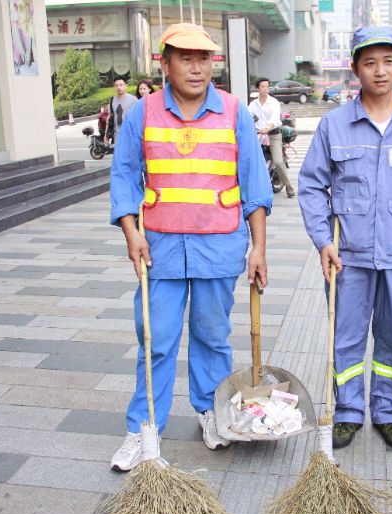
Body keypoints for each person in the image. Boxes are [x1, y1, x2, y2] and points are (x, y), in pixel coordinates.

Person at [108, 23, 272, 472]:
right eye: (186, 58)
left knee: (212, 336)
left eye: (204, 59)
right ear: (166, 64)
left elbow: (254, 184)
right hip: (159, 249)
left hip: (219, 246)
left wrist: (258, 248)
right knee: (155, 339)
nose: (197, 68)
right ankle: (143, 428)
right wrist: (131, 232)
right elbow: (124, 175)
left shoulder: (234, 111)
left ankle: (212, 411)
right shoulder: (143, 113)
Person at [297, 26, 392, 451]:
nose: (380, 71)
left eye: (388, 61)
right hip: (347, 257)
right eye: (370, 62)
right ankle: (348, 412)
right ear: (355, 69)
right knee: (346, 337)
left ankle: (388, 413)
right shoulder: (334, 126)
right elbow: (311, 186)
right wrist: (322, 240)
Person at [247, 77, 295, 198]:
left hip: (273, 135)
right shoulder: (253, 104)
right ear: (258, 88)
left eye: (267, 87)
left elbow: (275, 119)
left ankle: (288, 186)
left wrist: (267, 128)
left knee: (278, 161)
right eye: (262, 87)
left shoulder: (274, 102)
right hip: (258, 136)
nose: (265, 89)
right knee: (251, 160)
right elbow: (247, 116)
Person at [105, 75, 137, 145]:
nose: (119, 87)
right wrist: (106, 134)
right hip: (117, 135)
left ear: (126, 86)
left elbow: (137, 119)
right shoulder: (112, 100)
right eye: (116, 85)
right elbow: (109, 117)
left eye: (121, 85)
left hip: (130, 135)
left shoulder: (133, 100)